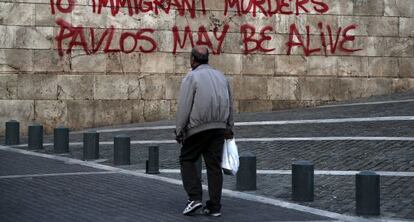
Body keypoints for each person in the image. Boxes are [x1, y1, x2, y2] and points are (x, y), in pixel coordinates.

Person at [175, 46, 234, 217]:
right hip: (219, 128)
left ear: (193, 59)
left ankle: (194, 198)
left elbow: (184, 106)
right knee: (214, 166)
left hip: (197, 128)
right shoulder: (222, 76)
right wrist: (229, 127)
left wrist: (179, 130)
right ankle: (214, 207)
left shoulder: (191, 77)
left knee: (187, 158)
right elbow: (231, 104)